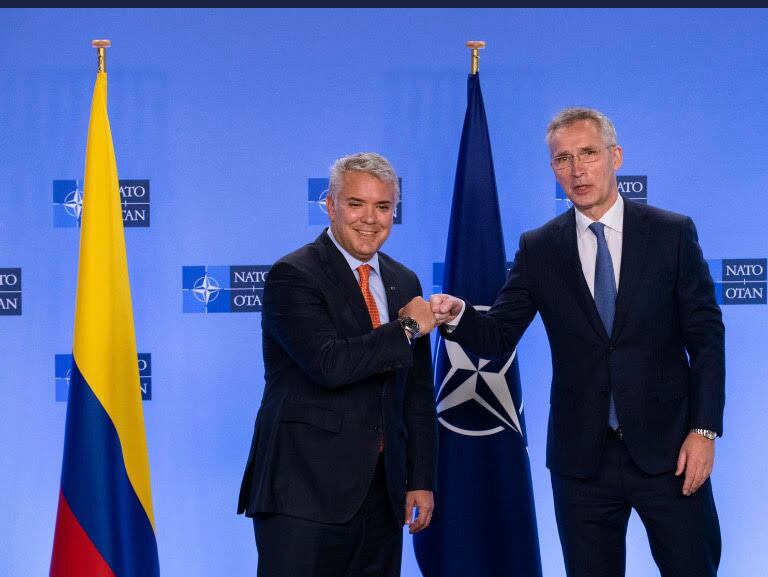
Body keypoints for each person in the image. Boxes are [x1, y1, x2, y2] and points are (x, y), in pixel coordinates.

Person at [431, 108, 724, 577]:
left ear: (615, 156)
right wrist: (459, 315)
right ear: (553, 169)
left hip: (670, 452)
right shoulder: (540, 247)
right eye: (562, 159)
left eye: (587, 153)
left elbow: (706, 339)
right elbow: (498, 334)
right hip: (581, 463)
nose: (576, 169)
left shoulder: (671, 233)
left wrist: (704, 430)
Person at [238, 152, 438, 577]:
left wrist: (419, 479)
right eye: (356, 204)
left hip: (382, 497)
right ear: (330, 206)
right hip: (303, 495)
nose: (370, 218)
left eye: (383, 207)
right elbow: (329, 363)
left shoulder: (405, 281)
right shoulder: (293, 275)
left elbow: (416, 393)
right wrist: (406, 327)